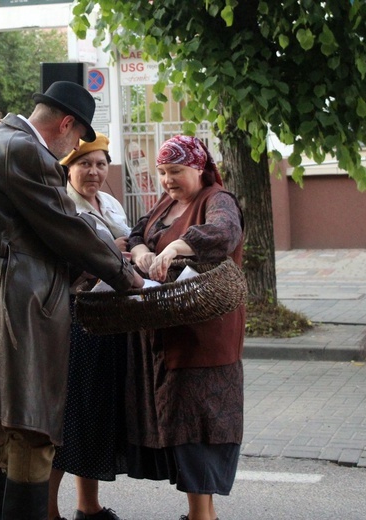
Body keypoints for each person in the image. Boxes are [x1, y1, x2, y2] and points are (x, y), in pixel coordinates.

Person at [0, 81, 144, 520]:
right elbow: (66, 226)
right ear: (66, 124)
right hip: (23, 308)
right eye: (77, 138)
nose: (73, 149)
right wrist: (128, 277)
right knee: (33, 432)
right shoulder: (26, 151)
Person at [127, 135, 245, 520]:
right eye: (162, 172)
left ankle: (201, 515)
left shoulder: (216, 199)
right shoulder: (167, 203)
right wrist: (143, 251)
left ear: (198, 167)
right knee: (182, 424)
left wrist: (176, 247)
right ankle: (201, 515)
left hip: (205, 338)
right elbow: (136, 233)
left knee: (200, 426)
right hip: (169, 332)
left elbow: (225, 232)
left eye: (176, 171)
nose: (167, 180)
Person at [47, 133, 131, 520]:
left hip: (108, 320)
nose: (94, 172)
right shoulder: (62, 206)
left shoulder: (110, 203)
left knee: (93, 414)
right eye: (84, 164)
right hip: (75, 322)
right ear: (68, 168)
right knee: (68, 420)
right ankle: (48, 510)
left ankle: (88, 506)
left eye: (100, 163)